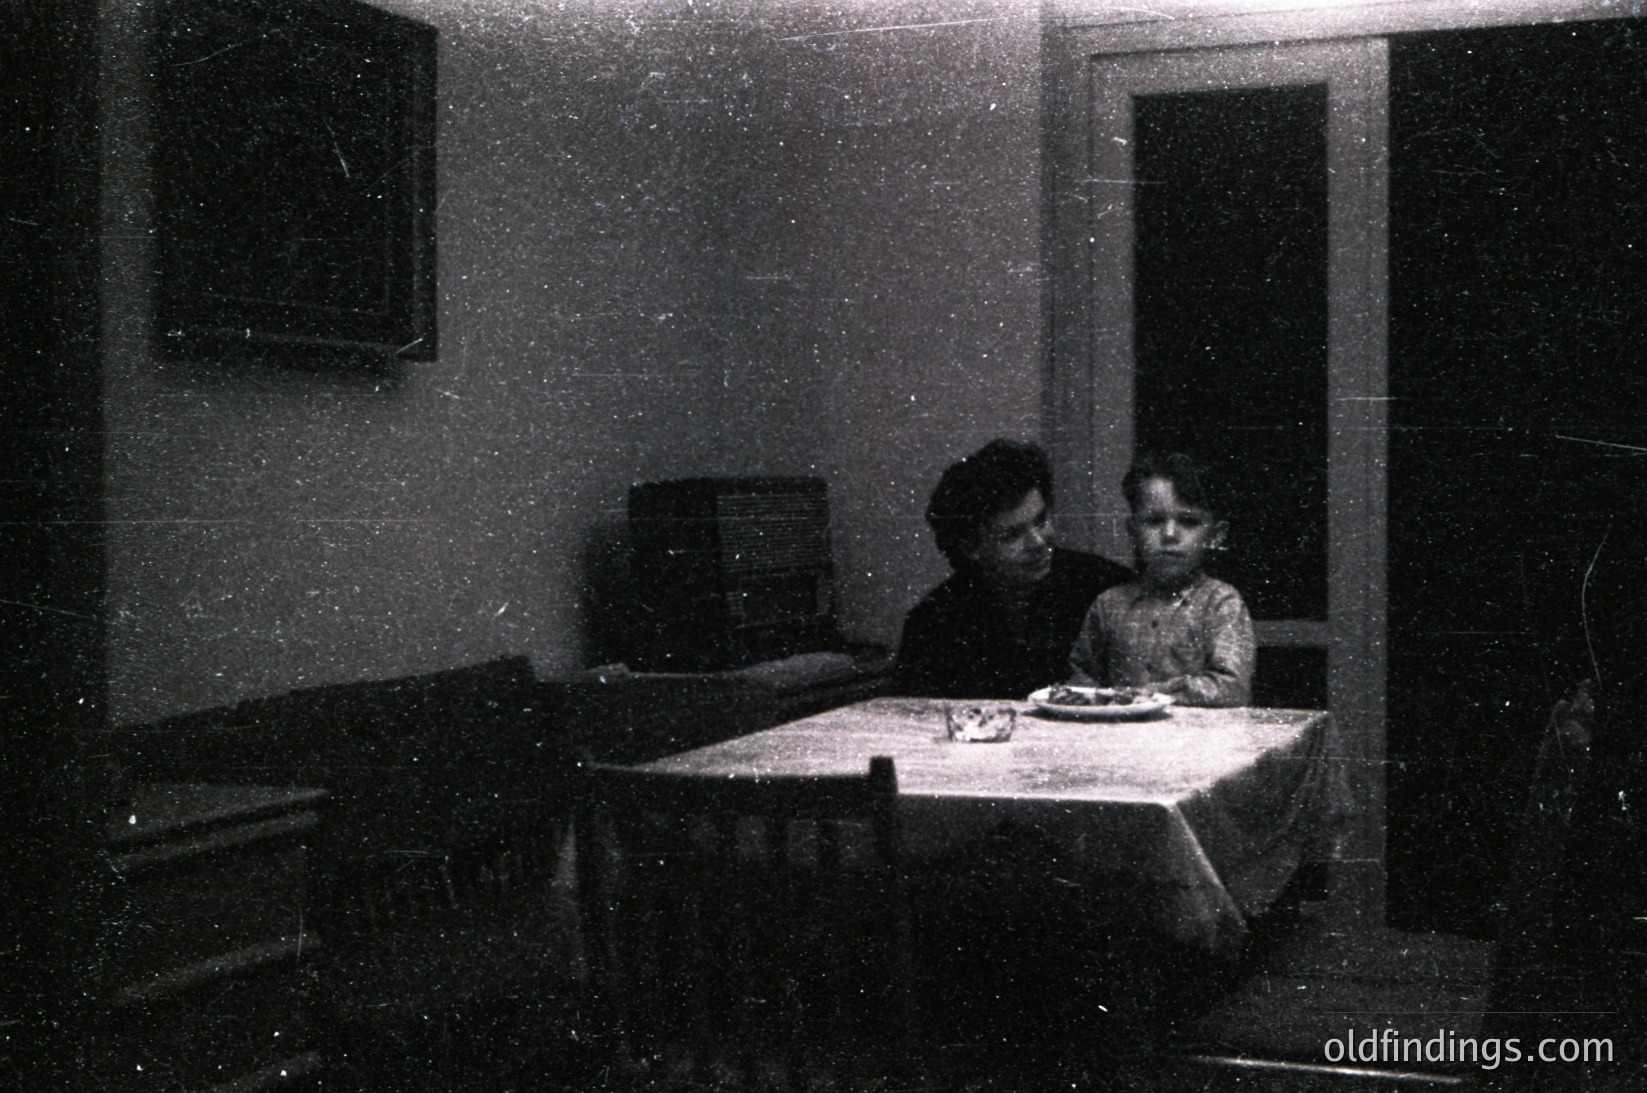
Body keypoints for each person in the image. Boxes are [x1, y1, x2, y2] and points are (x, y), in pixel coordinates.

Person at [893, 439, 1132, 698]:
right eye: (1012, 535)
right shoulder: (932, 622)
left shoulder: (1103, 584)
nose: (1038, 542)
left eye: (1041, 521)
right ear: (971, 547)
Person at [1067, 451, 1255, 706]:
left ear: (1215, 536)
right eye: (1154, 521)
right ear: (1132, 531)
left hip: (1197, 741)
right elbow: (1081, 674)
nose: (1169, 534)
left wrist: (1152, 695)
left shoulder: (1221, 604)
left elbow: (1231, 687)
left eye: (1188, 521)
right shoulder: (1109, 605)